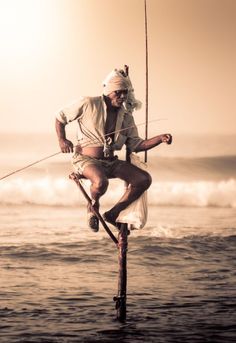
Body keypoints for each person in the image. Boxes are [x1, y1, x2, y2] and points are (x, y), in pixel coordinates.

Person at [55, 67, 172, 232]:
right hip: (86, 160)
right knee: (101, 182)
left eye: (125, 93)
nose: (122, 96)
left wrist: (160, 139)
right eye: (118, 93)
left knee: (144, 180)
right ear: (109, 91)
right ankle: (92, 209)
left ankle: (112, 214)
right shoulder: (88, 103)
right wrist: (62, 140)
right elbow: (60, 117)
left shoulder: (126, 116)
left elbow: (137, 145)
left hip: (111, 162)